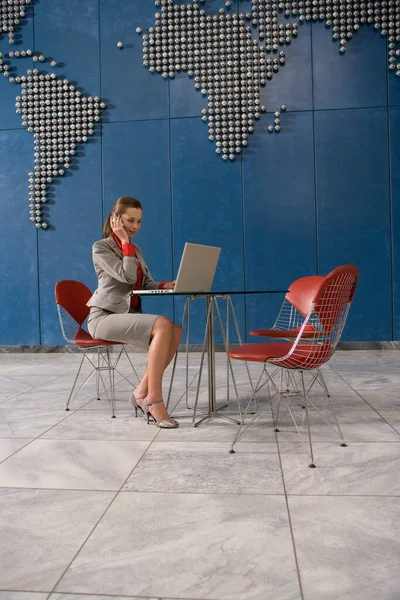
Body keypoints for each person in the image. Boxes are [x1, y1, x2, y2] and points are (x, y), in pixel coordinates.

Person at [87, 196, 181, 428]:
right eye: (130, 220)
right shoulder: (101, 247)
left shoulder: (135, 249)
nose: (135, 227)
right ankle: (154, 400)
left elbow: (142, 283)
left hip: (126, 316)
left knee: (175, 331)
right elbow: (127, 277)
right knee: (162, 324)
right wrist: (124, 242)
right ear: (115, 219)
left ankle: (140, 393)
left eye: (139, 222)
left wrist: (162, 285)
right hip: (103, 317)